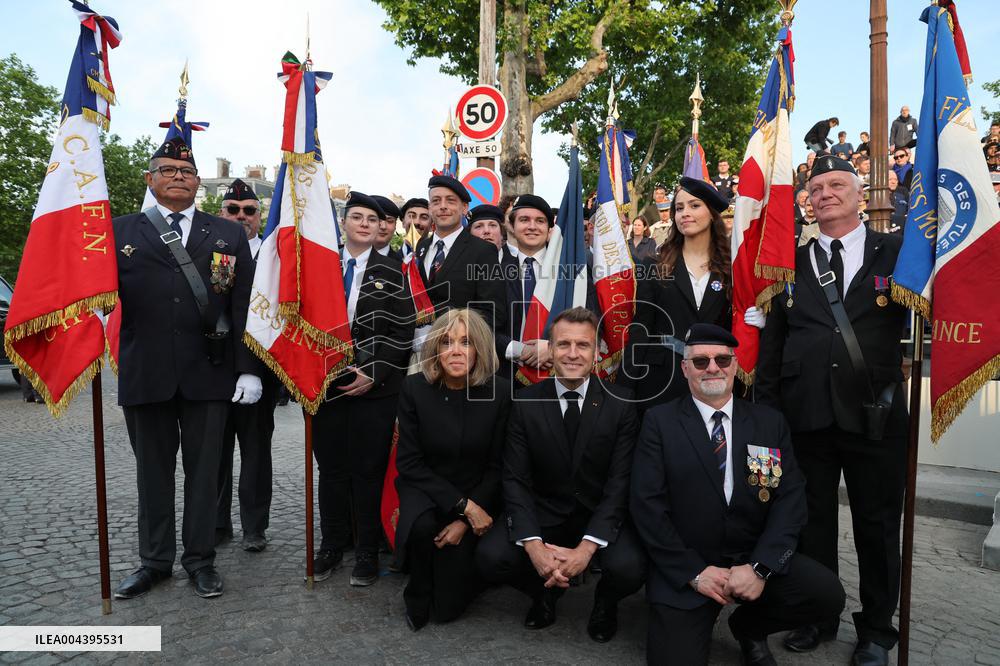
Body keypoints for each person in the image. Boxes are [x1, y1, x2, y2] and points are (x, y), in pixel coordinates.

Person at [756, 155, 909, 666]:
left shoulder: (899, 253)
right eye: (815, 187)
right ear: (806, 201)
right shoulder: (788, 264)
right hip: (807, 417)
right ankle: (818, 614)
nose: (825, 193)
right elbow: (773, 350)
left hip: (876, 415)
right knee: (811, 523)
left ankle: (877, 631)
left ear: (859, 192)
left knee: (878, 525)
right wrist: (770, 417)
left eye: (836, 184)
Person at [631, 323, 845, 666]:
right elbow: (647, 506)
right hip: (690, 567)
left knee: (825, 595)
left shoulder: (769, 423)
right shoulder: (659, 422)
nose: (712, 368)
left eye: (722, 359)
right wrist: (695, 573)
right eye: (700, 362)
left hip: (751, 556)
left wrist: (760, 568)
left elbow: (789, 500)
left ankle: (748, 627)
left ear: (735, 364)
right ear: (685, 369)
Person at [112, 137, 259, 600]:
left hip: (209, 373)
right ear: (149, 179)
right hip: (146, 371)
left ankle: (200, 560)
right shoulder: (119, 232)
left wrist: (248, 370)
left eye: (187, 171)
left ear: (199, 183)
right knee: (152, 473)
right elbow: (98, 300)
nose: (178, 176)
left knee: (204, 473)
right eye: (168, 169)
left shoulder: (227, 234)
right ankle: (154, 562)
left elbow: (242, 306)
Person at [476, 307, 645, 643]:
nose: (572, 353)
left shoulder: (622, 402)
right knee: (490, 558)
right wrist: (535, 548)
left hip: (598, 515)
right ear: (549, 351)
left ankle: (605, 603)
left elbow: (620, 482)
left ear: (597, 352)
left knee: (631, 568)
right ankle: (544, 592)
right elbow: (515, 480)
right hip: (545, 514)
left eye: (582, 345)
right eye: (563, 344)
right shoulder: (524, 401)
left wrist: (586, 549)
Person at [310, 191, 415, 586]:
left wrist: (374, 371)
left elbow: (403, 330)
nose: (366, 224)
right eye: (357, 217)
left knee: (368, 471)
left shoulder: (394, 270)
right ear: (344, 222)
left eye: (373, 219)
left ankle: (367, 553)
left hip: (375, 388)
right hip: (325, 386)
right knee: (332, 470)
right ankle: (332, 546)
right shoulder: (320, 264)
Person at [394, 308, 511, 630]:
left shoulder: (500, 393)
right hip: (427, 491)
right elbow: (409, 463)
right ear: (435, 349)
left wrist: (465, 518)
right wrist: (463, 507)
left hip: (478, 492)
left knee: (447, 609)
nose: (456, 351)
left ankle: (465, 574)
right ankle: (415, 589)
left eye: (466, 342)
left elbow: (499, 466)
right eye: (447, 342)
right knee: (422, 527)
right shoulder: (415, 389)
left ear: (480, 350)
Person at [618, 177, 734, 414]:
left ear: (712, 214)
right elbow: (641, 328)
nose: (684, 214)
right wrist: (624, 390)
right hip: (660, 381)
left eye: (694, 206)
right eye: (679, 208)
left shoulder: (731, 268)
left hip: (714, 382)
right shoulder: (655, 265)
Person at [215, 178, 279, 552]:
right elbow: (219, 309)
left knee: (256, 454)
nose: (242, 217)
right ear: (222, 213)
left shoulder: (271, 256)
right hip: (218, 369)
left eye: (250, 211)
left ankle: (255, 526)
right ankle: (218, 523)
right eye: (233, 210)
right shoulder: (218, 252)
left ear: (259, 216)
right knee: (215, 453)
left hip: (261, 372)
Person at [412, 175, 507, 347]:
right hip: (417, 354)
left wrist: (449, 333)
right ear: (429, 208)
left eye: (450, 201)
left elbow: (493, 312)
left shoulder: (483, 251)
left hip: (460, 352)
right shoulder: (421, 247)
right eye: (436, 201)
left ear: (464, 208)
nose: (443, 206)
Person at [493, 194, 554, 382]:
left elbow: (590, 318)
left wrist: (554, 348)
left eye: (540, 221)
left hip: (559, 374)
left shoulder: (571, 271)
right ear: (511, 226)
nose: (532, 226)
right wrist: (521, 351)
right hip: (506, 377)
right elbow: (485, 325)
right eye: (524, 220)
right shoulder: (495, 270)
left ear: (550, 229)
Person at [372, 195, 403, 260]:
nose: (383, 227)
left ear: (395, 226)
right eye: (378, 220)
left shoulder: (402, 266)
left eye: (390, 221)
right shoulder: (347, 259)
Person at [887, 171, 909, 235]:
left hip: (902, 231)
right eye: (890, 179)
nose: (893, 182)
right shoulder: (877, 197)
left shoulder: (902, 194)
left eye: (896, 180)